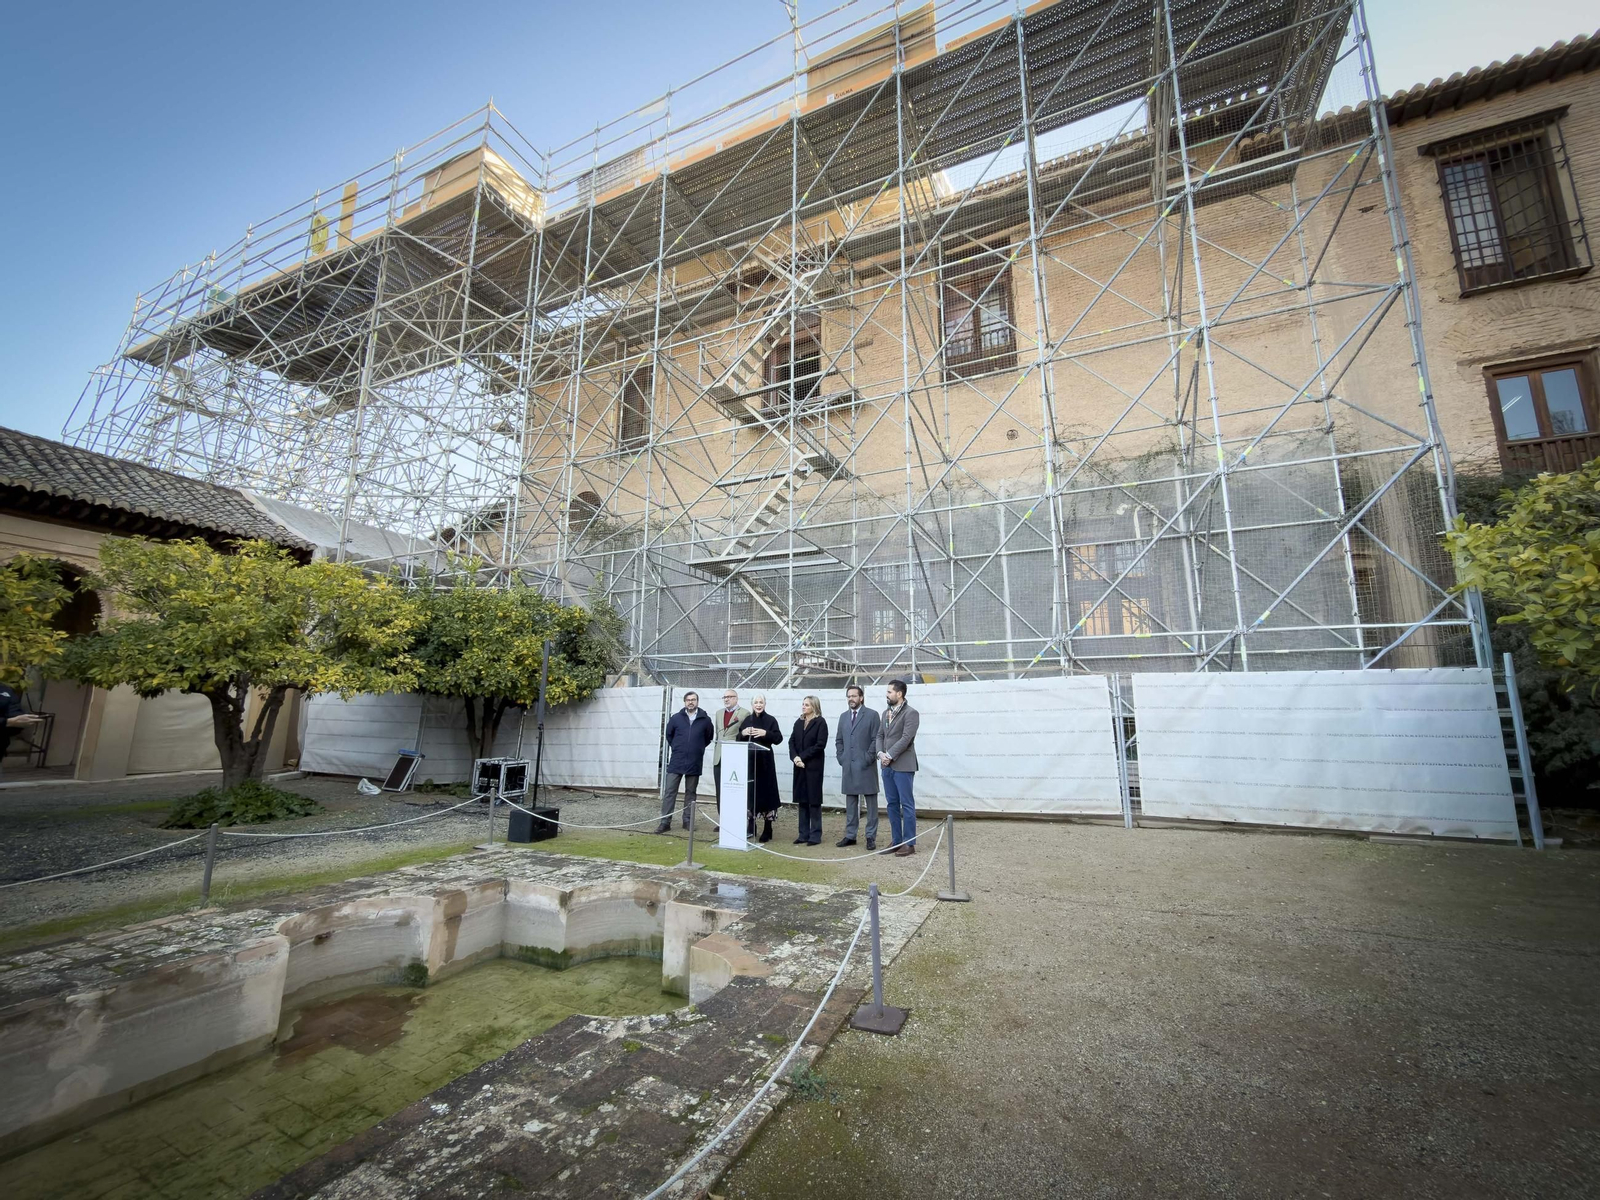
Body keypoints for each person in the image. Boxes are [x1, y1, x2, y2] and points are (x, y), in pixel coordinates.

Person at [657, 691, 713, 834]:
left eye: (693, 699)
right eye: (688, 700)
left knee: (691, 793)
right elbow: (669, 735)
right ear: (684, 702)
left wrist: (697, 748)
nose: (690, 702)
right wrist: (677, 747)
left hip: (694, 761)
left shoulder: (705, 720)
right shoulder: (676, 718)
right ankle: (665, 822)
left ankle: (687, 820)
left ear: (697, 702)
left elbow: (708, 737)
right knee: (670, 791)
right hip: (677, 760)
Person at [876, 678, 920, 855]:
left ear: (899, 694)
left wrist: (890, 755)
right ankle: (896, 841)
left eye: (889, 692)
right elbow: (879, 735)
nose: (886, 694)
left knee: (906, 804)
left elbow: (906, 738)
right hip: (886, 766)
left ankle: (909, 843)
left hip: (903, 765)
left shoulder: (911, 713)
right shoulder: (885, 713)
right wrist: (880, 754)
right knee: (891, 804)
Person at [834, 684, 881, 849]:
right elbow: (839, 740)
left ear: (861, 697)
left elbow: (877, 739)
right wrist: (842, 757)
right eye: (848, 696)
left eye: (854, 696)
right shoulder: (843, 717)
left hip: (866, 765)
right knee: (851, 803)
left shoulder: (872, 715)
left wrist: (868, 758)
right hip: (848, 765)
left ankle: (870, 836)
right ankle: (850, 835)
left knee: (871, 803)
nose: (851, 699)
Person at [737, 694, 783, 842]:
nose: (758, 704)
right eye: (756, 702)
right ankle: (751, 825)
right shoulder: (748, 720)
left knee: (767, 794)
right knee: (751, 793)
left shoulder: (771, 720)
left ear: (765, 704)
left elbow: (778, 738)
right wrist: (743, 733)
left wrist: (765, 733)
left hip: (765, 763)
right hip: (750, 763)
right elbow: (738, 739)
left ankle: (768, 828)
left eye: (761, 702)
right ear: (752, 704)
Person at [788, 695, 828, 846]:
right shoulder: (798, 722)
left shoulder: (820, 722)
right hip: (799, 766)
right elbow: (791, 741)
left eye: (807, 705)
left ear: (814, 707)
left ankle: (815, 835)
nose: (803, 707)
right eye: (803, 704)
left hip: (813, 767)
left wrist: (802, 757)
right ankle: (803, 834)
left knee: (814, 801)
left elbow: (820, 745)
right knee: (802, 800)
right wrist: (795, 758)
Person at [713, 688, 749, 804]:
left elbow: (745, 736)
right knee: (719, 789)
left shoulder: (744, 713)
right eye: (725, 697)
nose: (726, 699)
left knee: (733, 789)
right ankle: (721, 818)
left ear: (736, 698)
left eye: (729, 697)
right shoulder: (718, 713)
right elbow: (718, 734)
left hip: (734, 757)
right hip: (719, 758)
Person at [0, 679, 41, 782]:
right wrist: (7, 722)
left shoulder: (6, 691)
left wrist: (20, 721)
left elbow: (16, 716)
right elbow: (11, 721)